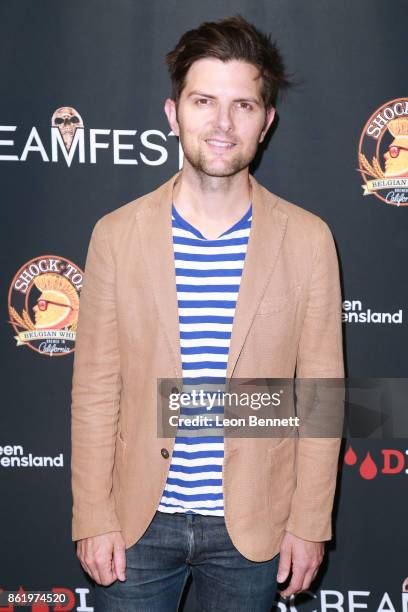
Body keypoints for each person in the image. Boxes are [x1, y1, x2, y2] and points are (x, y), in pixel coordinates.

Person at [71, 15, 344, 611]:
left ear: (266, 123)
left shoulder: (308, 239)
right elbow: (96, 390)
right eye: (204, 101)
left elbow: (320, 396)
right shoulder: (115, 236)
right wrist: (92, 514)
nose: (222, 124)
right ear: (174, 113)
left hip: (253, 528)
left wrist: (309, 522)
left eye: (243, 105)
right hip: (136, 526)